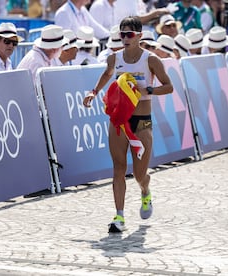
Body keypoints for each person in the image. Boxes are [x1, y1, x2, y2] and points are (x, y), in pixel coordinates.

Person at [82, 16, 173, 233]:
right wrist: (94, 92)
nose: (125, 38)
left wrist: (147, 91)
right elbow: (106, 75)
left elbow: (168, 87)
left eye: (129, 34)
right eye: (122, 34)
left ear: (139, 36)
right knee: (119, 168)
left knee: (139, 174)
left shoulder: (151, 60)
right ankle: (119, 216)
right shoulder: (115, 58)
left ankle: (145, 190)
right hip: (119, 121)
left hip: (141, 122)